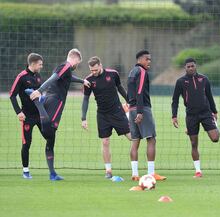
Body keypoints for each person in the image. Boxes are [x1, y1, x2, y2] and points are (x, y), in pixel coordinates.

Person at [27, 48, 90, 181]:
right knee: (49, 132)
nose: (77, 65)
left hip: (52, 98)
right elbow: (53, 78)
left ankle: (52, 174)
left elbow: (67, 77)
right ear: (75, 59)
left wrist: (82, 81)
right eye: (78, 62)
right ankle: (38, 103)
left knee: (51, 139)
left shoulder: (65, 69)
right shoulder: (66, 66)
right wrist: (39, 91)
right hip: (56, 100)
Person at [81, 56, 131, 178]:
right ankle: (108, 171)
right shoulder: (88, 80)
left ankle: (136, 167)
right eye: (91, 70)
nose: (94, 72)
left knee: (132, 137)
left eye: (96, 70)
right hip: (102, 114)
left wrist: (129, 101)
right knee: (105, 141)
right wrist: (83, 118)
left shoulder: (113, 74)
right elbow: (86, 99)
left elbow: (120, 88)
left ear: (100, 65)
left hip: (118, 111)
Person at [171, 57, 220, 178]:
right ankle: (198, 171)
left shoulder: (204, 79)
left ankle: (214, 125)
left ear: (195, 66)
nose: (191, 68)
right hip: (191, 115)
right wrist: (174, 116)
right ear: (185, 68)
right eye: (188, 66)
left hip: (206, 113)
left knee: (215, 138)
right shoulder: (180, 82)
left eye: (192, 66)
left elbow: (209, 96)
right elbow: (175, 100)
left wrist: (214, 111)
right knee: (194, 144)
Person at [127, 50, 166, 181]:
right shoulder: (142, 72)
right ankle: (151, 173)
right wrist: (140, 111)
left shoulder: (131, 72)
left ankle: (135, 174)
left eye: (150, 59)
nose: (149, 61)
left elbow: (130, 93)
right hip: (142, 108)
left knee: (135, 141)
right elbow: (139, 92)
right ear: (140, 60)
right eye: (147, 59)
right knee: (151, 139)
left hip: (131, 108)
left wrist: (132, 110)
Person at [9, 53, 44, 179]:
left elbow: (41, 93)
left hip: (40, 115)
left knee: (50, 136)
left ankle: (52, 170)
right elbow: (12, 95)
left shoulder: (39, 76)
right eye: (40, 64)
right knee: (26, 143)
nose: (41, 66)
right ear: (33, 64)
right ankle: (25, 171)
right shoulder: (21, 77)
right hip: (27, 117)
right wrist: (19, 112)